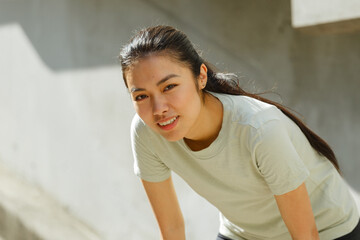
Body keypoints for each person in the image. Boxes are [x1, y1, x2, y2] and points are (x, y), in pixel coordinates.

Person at [119, 25, 360, 240]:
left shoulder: (260, 129)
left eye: (169, 87)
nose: (158, 108)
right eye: (141, 96)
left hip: (328, 229)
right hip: (245, 233)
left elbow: (305, 235)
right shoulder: (146, 132)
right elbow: (171, 229)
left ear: (200, 76)